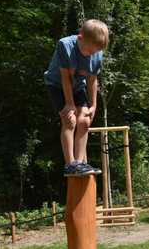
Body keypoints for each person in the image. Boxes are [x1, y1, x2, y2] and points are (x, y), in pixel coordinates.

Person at [44, 19, 109, 176]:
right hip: (57, 85)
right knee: (70, 120)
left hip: (77, 86)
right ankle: (70, 164)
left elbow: (92, 80)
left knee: (85, 120)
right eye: (89, 51)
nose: (91, 55)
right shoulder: (65, 45)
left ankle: (80, 164)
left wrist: (93, 105)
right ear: (80, 38)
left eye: (95, 52)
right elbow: (65, 78)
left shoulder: (97, 54)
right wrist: (69, 104)